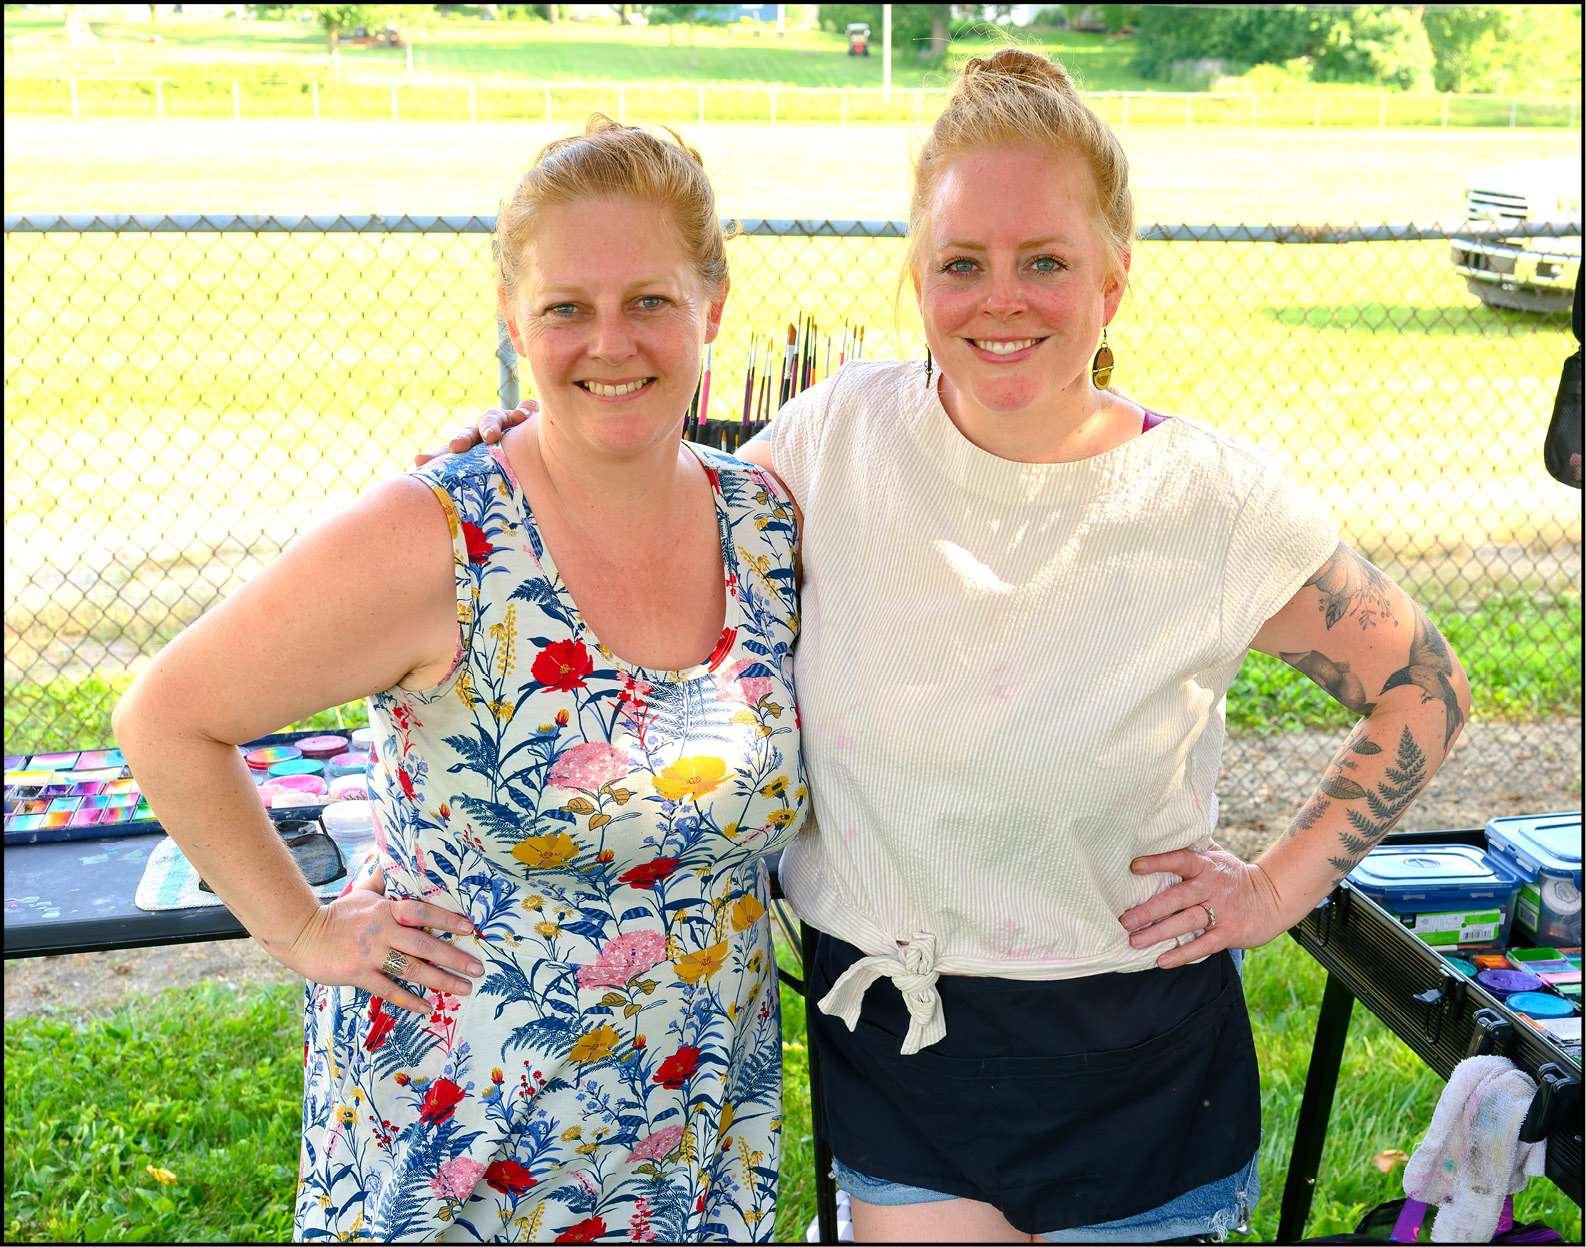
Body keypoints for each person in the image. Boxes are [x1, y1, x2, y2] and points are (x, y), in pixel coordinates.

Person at [441, 50, 1470, 1244]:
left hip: (1137, 1058)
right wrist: (526, 454)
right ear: (917, 276)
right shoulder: (835, 441)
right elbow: (655, 516)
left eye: (1046, 262)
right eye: (961, 263)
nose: (1001, 300)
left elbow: (1422, 686)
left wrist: (1274, 888)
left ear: (1113, 279)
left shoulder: (1209, 499)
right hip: (902, 1047)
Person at [114, 117, 805, 1243]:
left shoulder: (765, 522)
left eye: (649, 300)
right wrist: (303, 932)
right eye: (565, 308)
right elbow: (166, 718)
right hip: (464, 1138)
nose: (610, 342)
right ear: (512, 318)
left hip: (694, 1134)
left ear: (712, 307)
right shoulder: (436, 535)